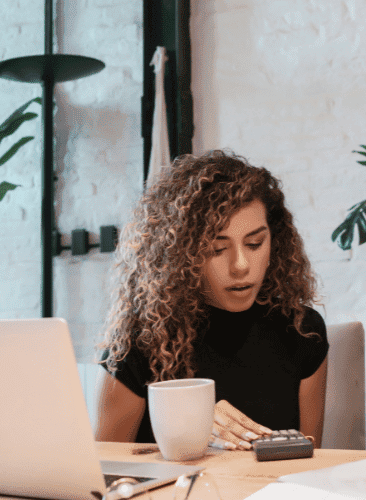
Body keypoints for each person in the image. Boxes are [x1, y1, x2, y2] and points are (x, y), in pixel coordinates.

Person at [96, 150, 328, 450]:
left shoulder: (301, 329)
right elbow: (104, 470)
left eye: (255, 243)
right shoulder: (141, 339)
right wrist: (186, 426)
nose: (241, 265)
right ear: (181, 254)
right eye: (217, 249)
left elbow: (311, 459)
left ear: (276, 240)